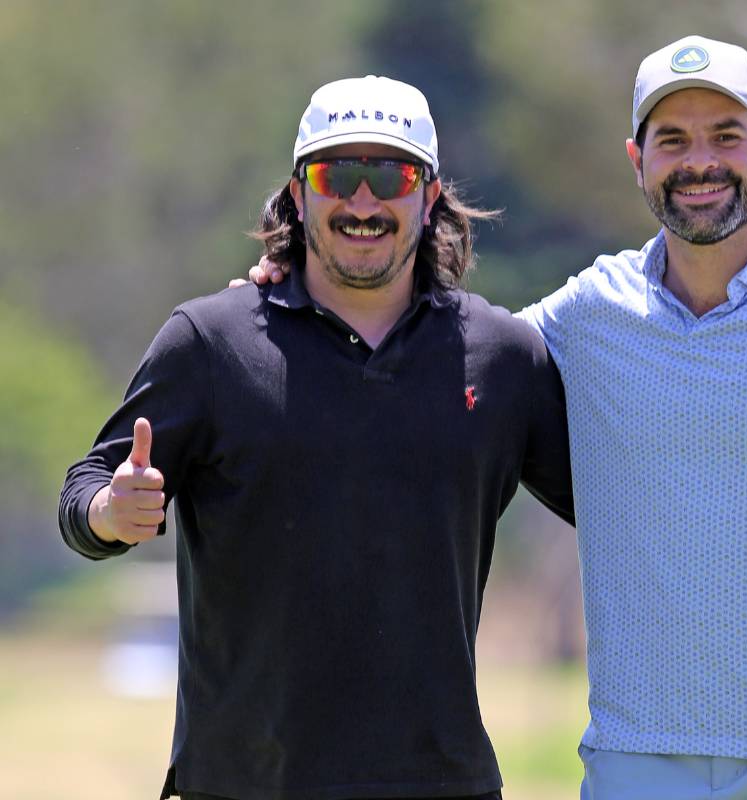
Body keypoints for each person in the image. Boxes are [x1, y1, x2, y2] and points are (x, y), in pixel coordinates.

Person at [249, 36, 747, 800]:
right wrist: (308, 280)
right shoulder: (592, 311)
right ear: (638, 163)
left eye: (726, 137)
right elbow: (453, 359)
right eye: (672, 140)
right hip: (638, 756)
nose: (700, 161)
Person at [59, 75, 573, 800]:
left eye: (388, 175)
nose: (363, 202)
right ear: (300, 196)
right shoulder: (210, 341)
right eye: (339, 175)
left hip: (440, 784)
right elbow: (85, 490)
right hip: (243, 783)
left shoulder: (503, 356)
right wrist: (108, 515)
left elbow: (622, 508)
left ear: (428, 198)